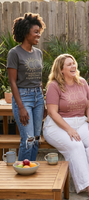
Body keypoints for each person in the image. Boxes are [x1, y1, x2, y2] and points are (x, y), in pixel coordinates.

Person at [43, 54, 89, 200]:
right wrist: (69, 129)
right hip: (57, 125)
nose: (73, 66)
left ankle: (87, 176)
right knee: (76, 146)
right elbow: (52, 112)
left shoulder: (82, 82)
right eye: (69, 64)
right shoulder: (54, 85)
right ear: (61, 69)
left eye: (74, 63)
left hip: (81, 122)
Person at [7, 13, 46, 161]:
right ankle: (22, 174)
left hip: (38, 98)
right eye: (36, 32)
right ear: (25, 33)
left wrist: (43, 102)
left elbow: (39, 80)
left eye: (39, 32)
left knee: (36, 139)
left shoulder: (38, 53)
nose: (38, 35)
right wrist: (21, 106)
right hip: (23, 97)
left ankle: (31, 170)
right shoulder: (14, 53)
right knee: (28, 139)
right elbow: (12, 82)